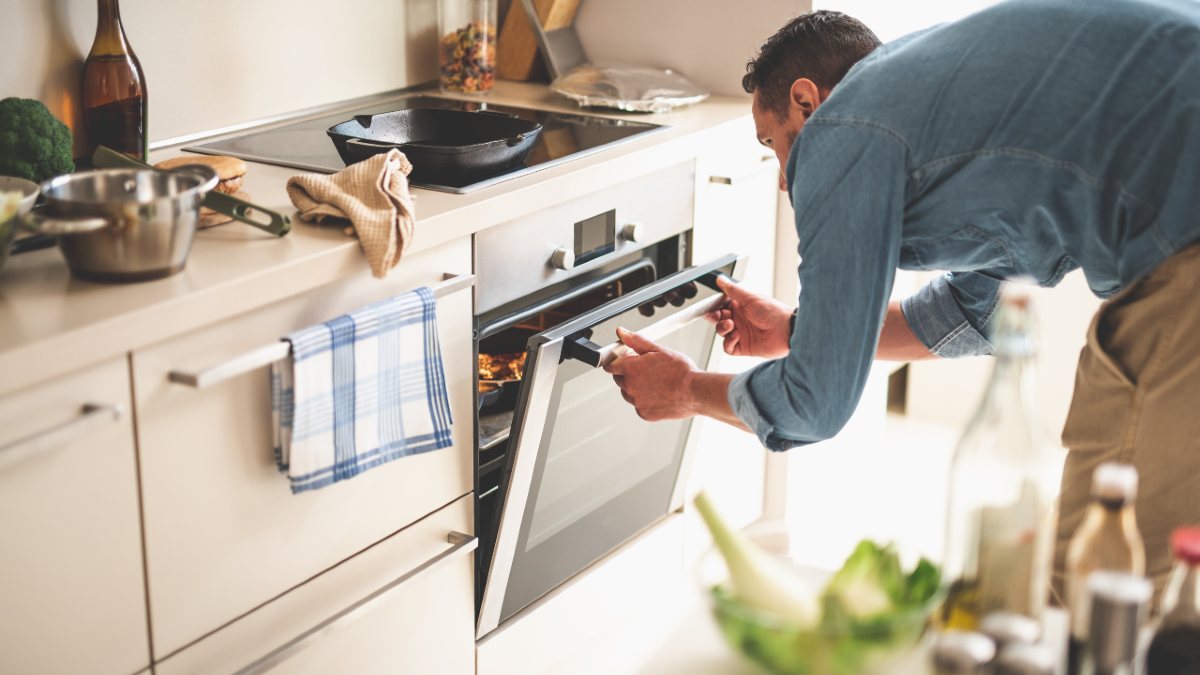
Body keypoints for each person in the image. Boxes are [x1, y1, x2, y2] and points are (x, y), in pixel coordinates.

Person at [604, 0, 1200, 598]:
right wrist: (795, 329)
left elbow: (815, 404)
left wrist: (685, 390)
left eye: (774, 145)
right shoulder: (944, 104)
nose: (786, 178)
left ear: (808, 102)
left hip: (1184, 244)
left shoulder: (844, 129)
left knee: (1091, 576)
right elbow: (975, 315)